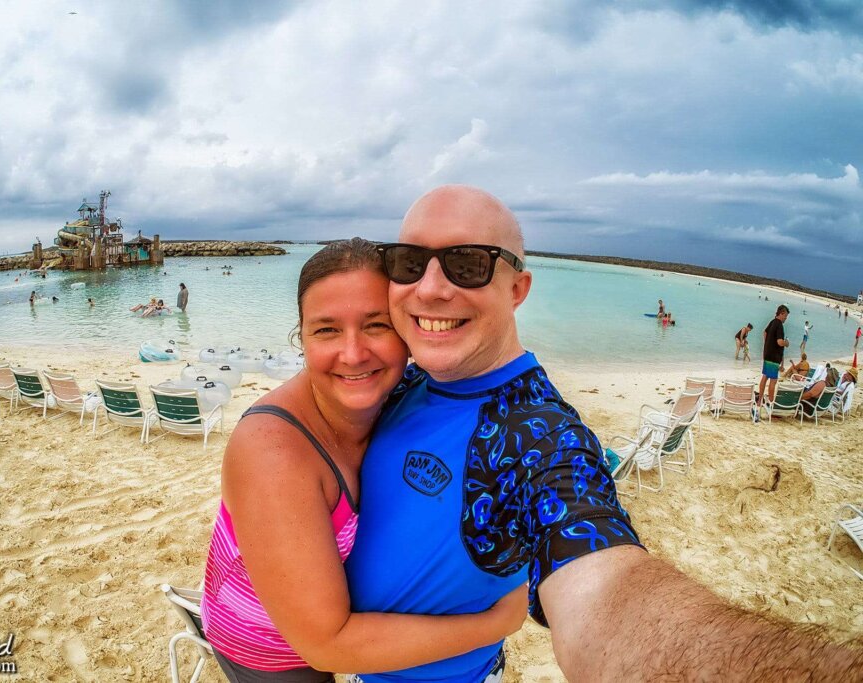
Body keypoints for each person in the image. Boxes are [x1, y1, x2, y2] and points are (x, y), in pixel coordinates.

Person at [345, 186, 862, 681]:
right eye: (409, 262)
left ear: (518, 288)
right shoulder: (398, 380)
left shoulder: (537, 435)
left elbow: (605, 593)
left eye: (468, 264)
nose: (431, 288)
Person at [201, 238, 527, 682]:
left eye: (376, 326)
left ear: (409, 329)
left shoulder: (403, 396)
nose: (353, 354)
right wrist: (495, 623)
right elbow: (325, 646)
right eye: (327, 330)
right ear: (301, 337)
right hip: (269, 649)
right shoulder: (272, 452)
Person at [755, 304, 790, 422]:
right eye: (785, 316)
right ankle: (770, 403)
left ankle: (760, 400)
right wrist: (786, 343)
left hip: (767, 354)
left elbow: (764, 333)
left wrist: (767, 345)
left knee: (765, 377)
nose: (786, 319)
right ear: (781, 313)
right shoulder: (779, 325)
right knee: (773, 381)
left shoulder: (772, 321)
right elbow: (779, 342)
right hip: (774, 357)